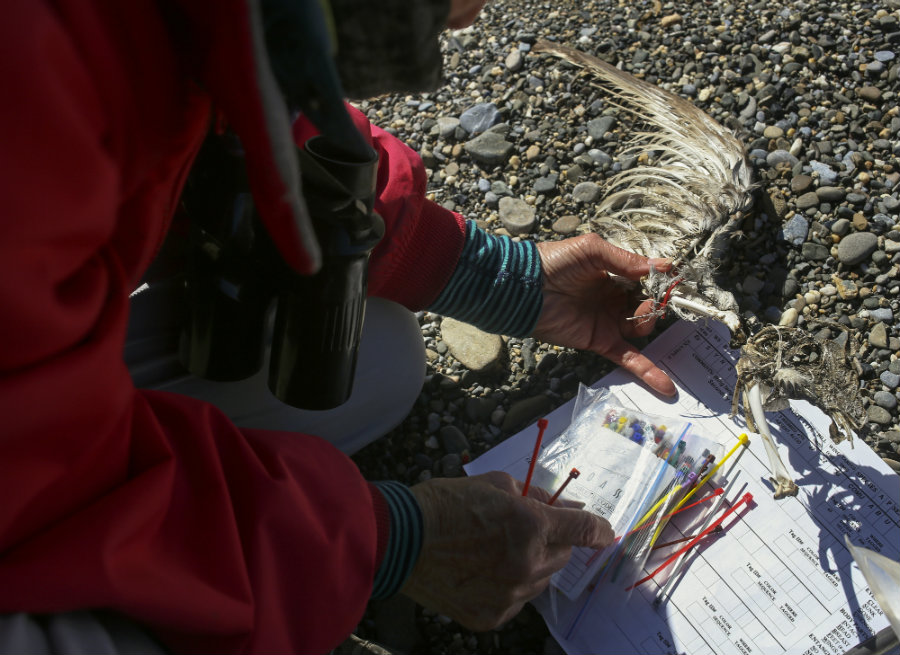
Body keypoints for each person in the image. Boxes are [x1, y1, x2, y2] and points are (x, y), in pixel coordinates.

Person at [0, 0, 676, 653]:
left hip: (26, 388)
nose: (468, 15)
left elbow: (265, 123)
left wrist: (506, 280)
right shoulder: (33, 82)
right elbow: (45, 485)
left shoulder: (183, 19)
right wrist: (385, 542)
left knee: (375, 355)